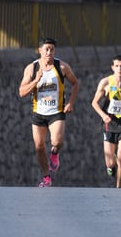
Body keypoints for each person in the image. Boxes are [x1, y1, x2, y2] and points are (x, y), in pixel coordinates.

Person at [18, 38, 79, 187]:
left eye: (52, 49)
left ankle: (55, 153)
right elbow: (22, 92)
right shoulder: (31, 69)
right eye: (46, 49)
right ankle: (46, 177)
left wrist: (70, 102)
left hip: (56, 112)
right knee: (39, 147)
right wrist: (35, 80)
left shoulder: (62, 67)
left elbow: (75, 83)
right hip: (38, 113)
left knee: (57, 142)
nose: (49, 52)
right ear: (40, 50)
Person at [91, 55, 121, 188]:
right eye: (117, 66)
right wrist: (103, 116)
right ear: (112, 67)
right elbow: (94, 103)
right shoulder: (106, 82)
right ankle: (111, 167)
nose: (120, 69)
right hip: (110, 123)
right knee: (110, 163)